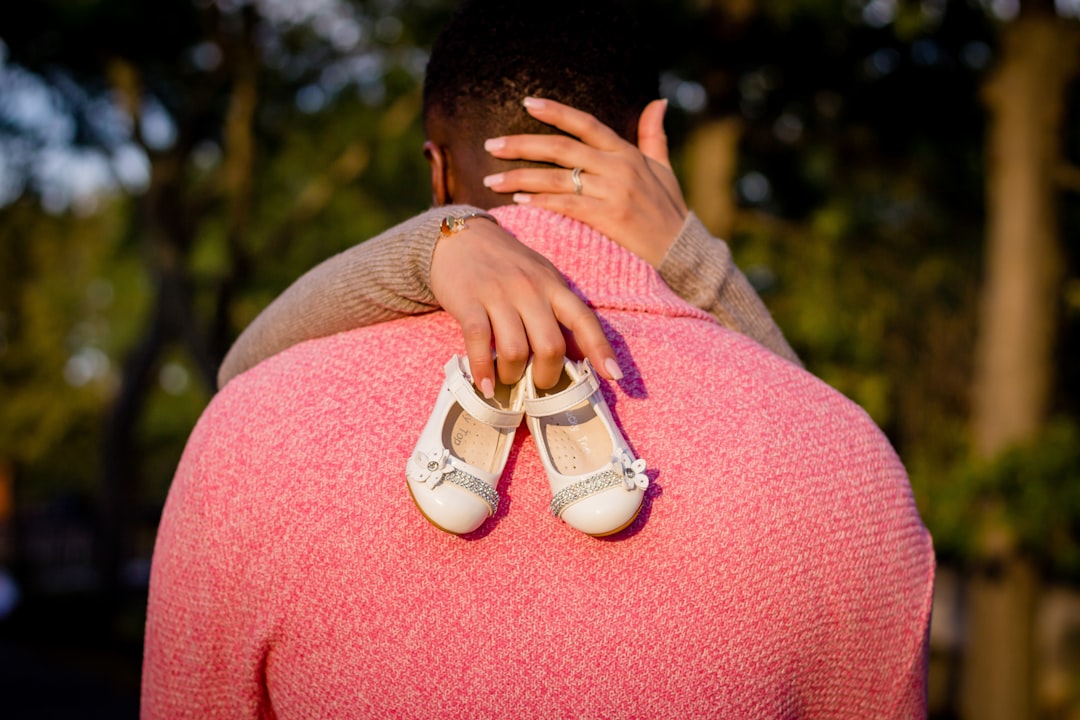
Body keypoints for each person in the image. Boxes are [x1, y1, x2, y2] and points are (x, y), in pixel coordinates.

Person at [142, 1, 935, 716]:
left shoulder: (248, 434)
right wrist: (691, 257)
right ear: (651, 146)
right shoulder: (845, 459)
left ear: (437, 169)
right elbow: (817, 428)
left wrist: (437, 236)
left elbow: (237, 372)